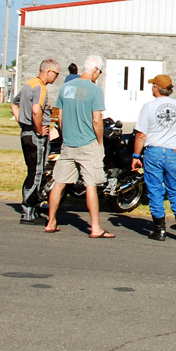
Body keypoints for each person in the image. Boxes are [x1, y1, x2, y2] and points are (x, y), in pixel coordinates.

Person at [45, 54, 113, 238]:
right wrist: (100, 142)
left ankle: (51, 222)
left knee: (59, 183)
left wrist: (66, 134)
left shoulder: (66, 87)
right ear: (96, 70)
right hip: (88, 143)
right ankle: (96, 227)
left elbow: (59, 116)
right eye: (99, 72)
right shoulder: (95, 90)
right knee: (91, 184)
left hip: (68, 143)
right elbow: (97, 120)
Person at [132, 74, 176, 242]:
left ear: (157, 87)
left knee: (155, 190)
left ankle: (160, 230)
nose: (152, 88)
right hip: (172, 152)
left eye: (153, 85)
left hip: (154, 152)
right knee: (175, 190)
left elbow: (141, 134)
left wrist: (136, 155)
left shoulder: (148, 107)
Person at [15, 59, 61, 225]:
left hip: (26, 132)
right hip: (35, 134)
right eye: (56, 74)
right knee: (37, 172)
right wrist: (40, 127)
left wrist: (22, 121)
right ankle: (28, 210)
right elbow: (36, 110)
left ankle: (31, 208)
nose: (56, 78)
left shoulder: (29, 83)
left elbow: (14, 104)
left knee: (32, 170)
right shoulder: (40, 86)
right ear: (48, 71)